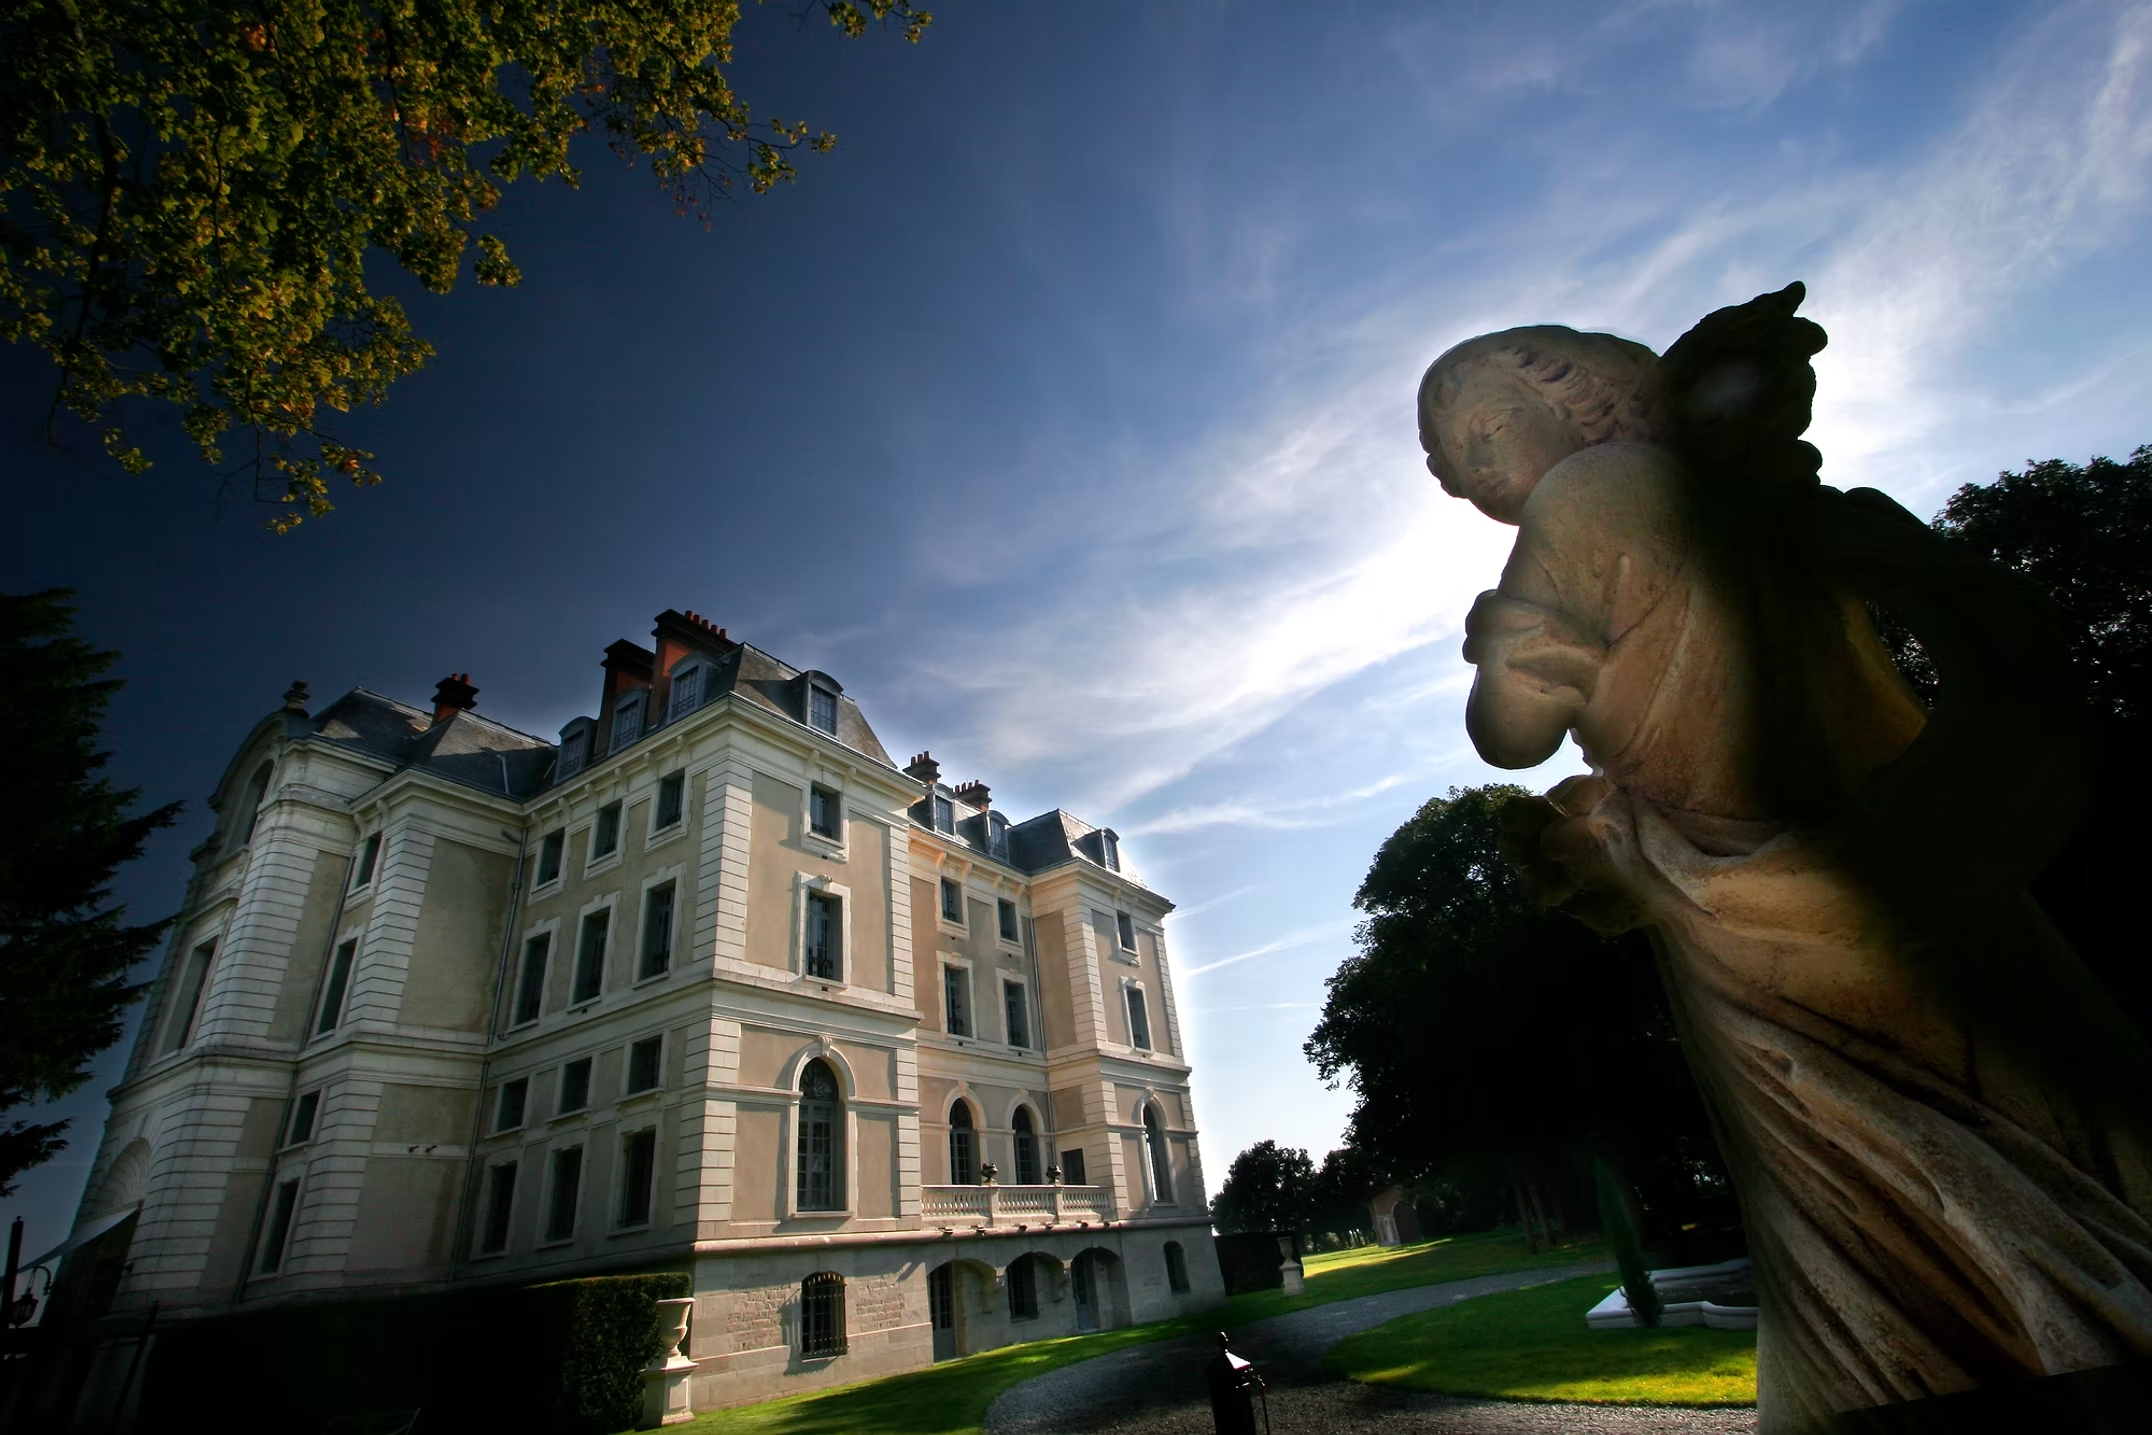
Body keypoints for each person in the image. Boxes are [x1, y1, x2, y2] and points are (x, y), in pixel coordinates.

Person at [1421, 287, 2152, 1432]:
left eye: (1468, 437)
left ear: (1568, 398)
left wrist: (1507, 664)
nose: (1458, 479)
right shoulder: (1749, 505)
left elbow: (1504, 735)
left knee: (1868, 1196)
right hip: (1887, 854)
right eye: (1446, 466)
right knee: (2020, 1100)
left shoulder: (1587, 495)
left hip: (1745, 896)